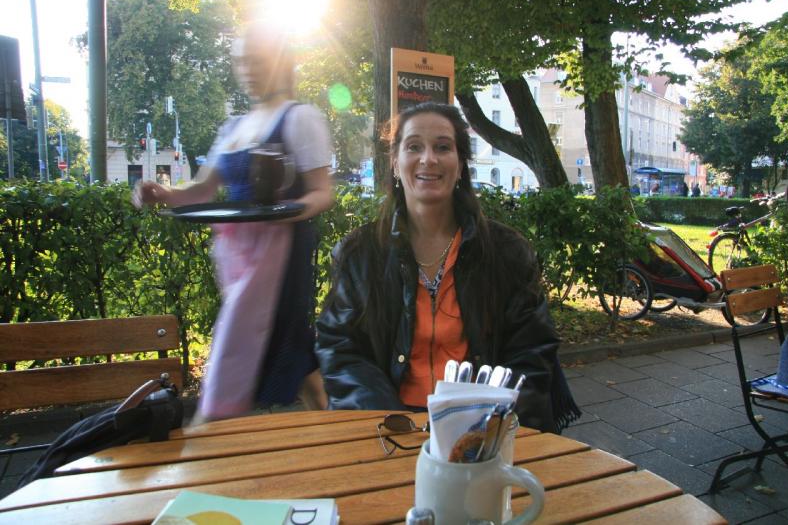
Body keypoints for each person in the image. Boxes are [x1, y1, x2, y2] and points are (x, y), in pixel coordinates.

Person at [315, 102, 580, 432]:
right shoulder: (359, 253)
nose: (428, 159)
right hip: (389, 426)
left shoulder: (508, 252)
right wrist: (392, 421)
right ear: (395, 162)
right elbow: (340, 348)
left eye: (442, 147)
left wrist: (481, 421)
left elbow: (531, 350)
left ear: (461, 163)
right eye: (414, 147)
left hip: (480, 427)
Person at [133, 23, 333, 422]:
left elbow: (322, 192)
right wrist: (163, 193)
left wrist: (284, 212)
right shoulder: (234, 126)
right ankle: (330, 426)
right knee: (288, 346)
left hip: (282, 254)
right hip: (239, 257)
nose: (247, 69)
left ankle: (208, 428)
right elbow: (202, 189)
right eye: (241, 61)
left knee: (251, 339)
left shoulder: (301, 118)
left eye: (257, 60)